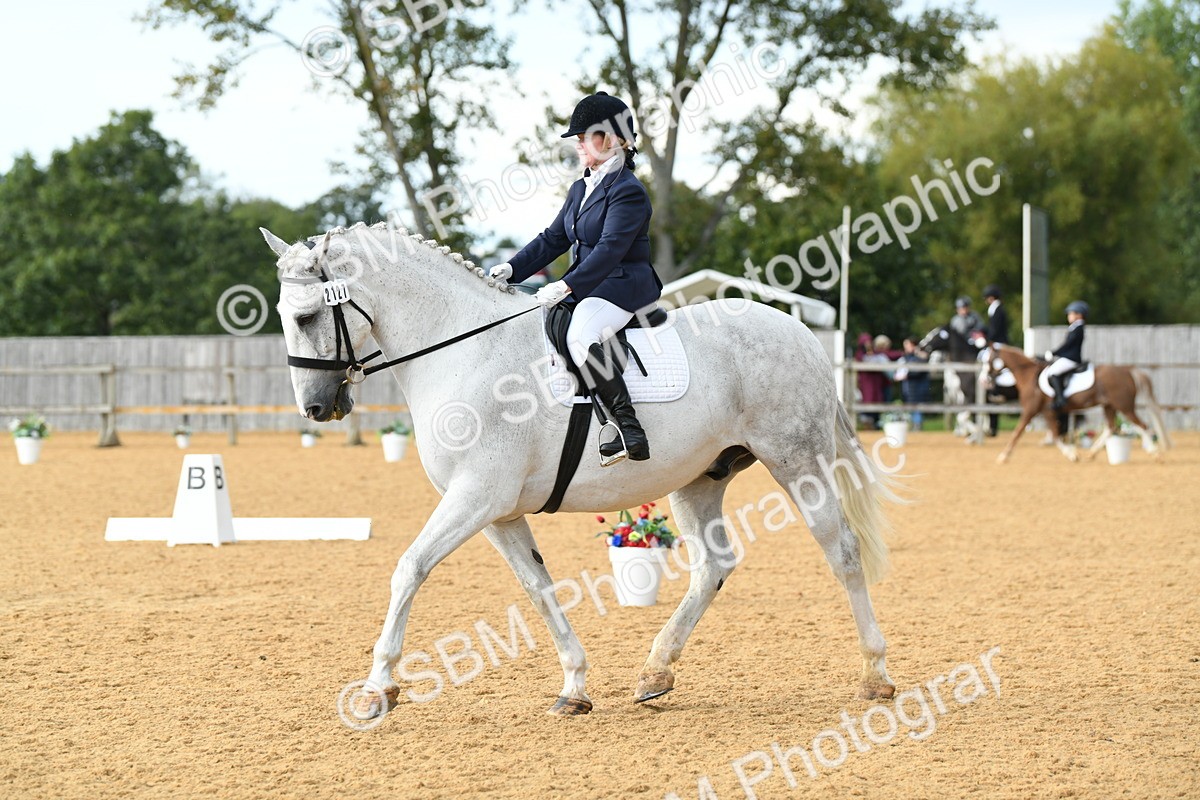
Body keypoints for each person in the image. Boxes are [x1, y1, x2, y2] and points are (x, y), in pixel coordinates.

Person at [489, 92, 661, 462]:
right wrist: (513, 268)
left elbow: (611, 249)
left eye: (586, 136)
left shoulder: (628, 191)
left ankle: (626, 427)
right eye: (579, 137)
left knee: (582, 332)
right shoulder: (581, 188)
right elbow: (554, 238)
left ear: (613, 139)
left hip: (621, 285)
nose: (580, 143)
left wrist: (567, 284)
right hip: (591, 284)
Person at [1044, 301, 1088, 410]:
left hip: (1071, 359)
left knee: (1052, 372)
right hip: (1068, 357)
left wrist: (1054, 353)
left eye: (1071, 313)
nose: (1069, 316)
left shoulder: (1078, 328)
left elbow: (1068, 345)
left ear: (1079, 314)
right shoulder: (1074, 327)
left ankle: (1061, 399)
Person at [982, 284, 1009, 435]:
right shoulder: (997, 309)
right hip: (996, 342)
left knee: (988, 362)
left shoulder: (996, 309)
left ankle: (994, 389)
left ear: (990, 298)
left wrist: (985, 339)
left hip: (998, 344)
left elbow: (994, 331)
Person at [896, 337, 931, 429]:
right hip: (908, 389)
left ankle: (917, 430)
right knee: (911, 410)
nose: (906, 347)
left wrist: (908, 375)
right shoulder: (905, 358)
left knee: (917, 411)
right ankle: (913, 429)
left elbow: (919, 370)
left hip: (918, 389)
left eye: (908, 345)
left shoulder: (921, 356)